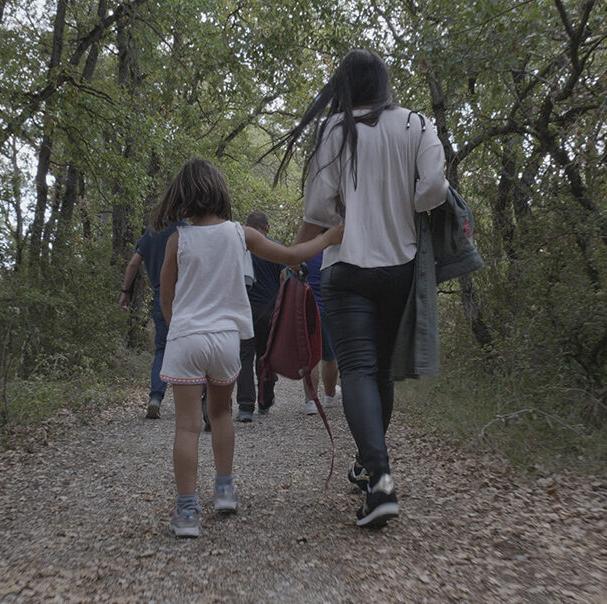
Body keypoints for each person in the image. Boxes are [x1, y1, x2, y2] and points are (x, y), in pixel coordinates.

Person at [272, 49, 448, 528]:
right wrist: (405, 203)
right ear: (384, 83)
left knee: (356, 370)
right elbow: (435, 185)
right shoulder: (415, 124)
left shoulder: (335, 131)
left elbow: (318, 209)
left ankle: (381, 478)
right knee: (380, 373)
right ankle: (372, 471)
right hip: (401, 268)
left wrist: (294, 260)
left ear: (344, 87)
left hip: (347, 268)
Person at [154, 157, 342, 538]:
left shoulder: (179, 239)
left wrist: (179, 330)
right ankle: (225, 490)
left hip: (187, 338)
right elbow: (291, 257)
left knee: (188, 426)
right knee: (222, 414)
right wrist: (328, 238)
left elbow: (167, 296)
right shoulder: (241, 234)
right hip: (225, 340)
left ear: (184, 196)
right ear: (220, 192)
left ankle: (187, 512)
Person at [119, 222, 181, 420]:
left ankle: (155, 397)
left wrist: (125, 291)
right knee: (192, 345)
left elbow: (133, 263)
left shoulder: (150, 235)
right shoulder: (186, 231)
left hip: (161, 298)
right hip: (186, 297)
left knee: (162, 348)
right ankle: (200, 398)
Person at [235, 211, 283, 423]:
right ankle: (265, 401)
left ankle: (246, 407)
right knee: (266, 355)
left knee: (245, 356)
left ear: (246, 226)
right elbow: (285, 279)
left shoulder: (239, 248)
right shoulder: (275, 248)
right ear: (267, 228)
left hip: (243, 309)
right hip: (269, 310)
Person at [301, 250, 341, 415]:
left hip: (308, 307)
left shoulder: (306, 251)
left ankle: (311, 401)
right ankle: (330, 396)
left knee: (310, 357)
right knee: (329, 355)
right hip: (327, 308)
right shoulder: (334, 251)